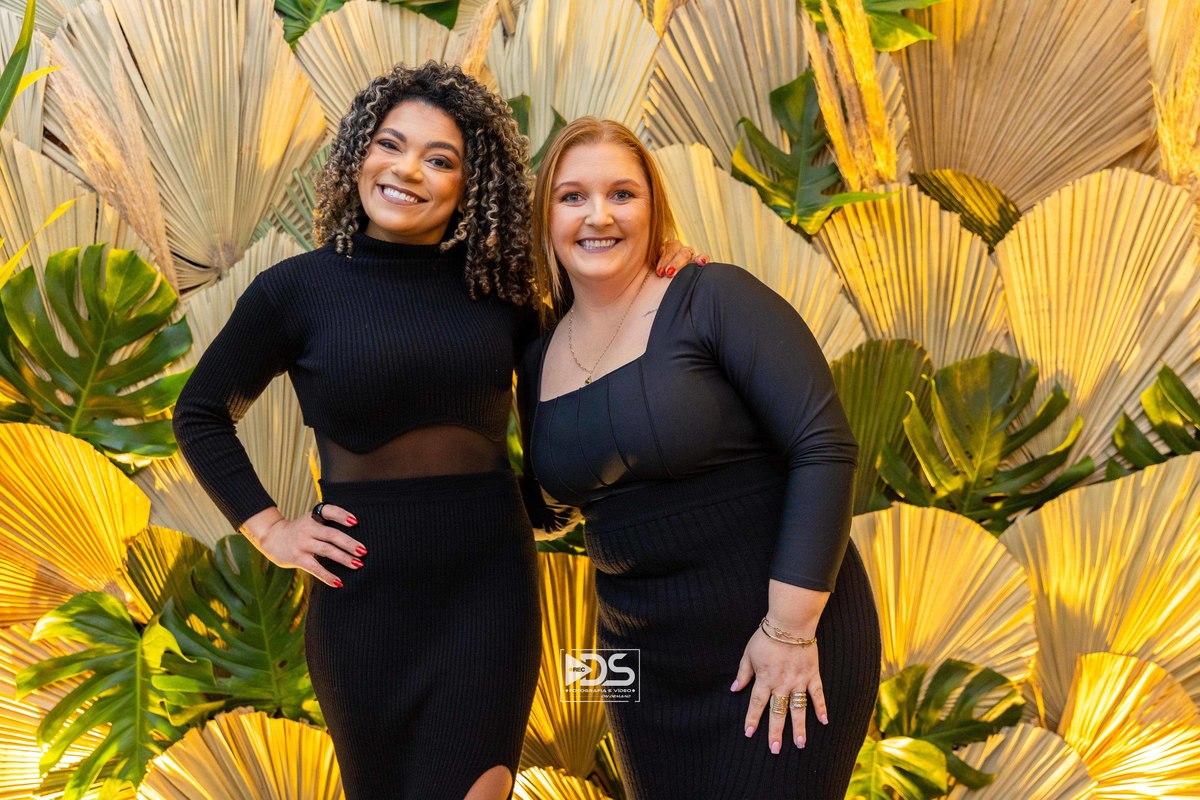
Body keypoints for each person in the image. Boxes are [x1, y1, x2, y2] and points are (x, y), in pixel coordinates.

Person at [173, 65, 696, 800]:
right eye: (390, 145)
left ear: (470, 185)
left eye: (440, 159)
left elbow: (592, 363)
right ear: (360, 154)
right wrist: (271, 531)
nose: (408, 170)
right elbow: (200, 411)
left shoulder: (504, 291)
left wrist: (660, 276)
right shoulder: (294, 291)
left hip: (487, 587)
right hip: (362, 595)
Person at [517, 117, 882, 799]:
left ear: (653, 206)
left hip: (774, 642)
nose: (599, 215)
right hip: (641, 668)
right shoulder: (537, 355)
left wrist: (790, 630)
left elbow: (822, 447)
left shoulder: (713, 297)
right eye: (572, 196)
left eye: (622, 194)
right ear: (546, 216)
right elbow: (551, 507)